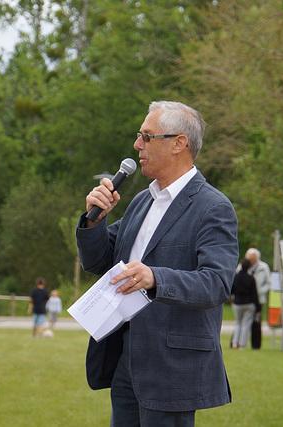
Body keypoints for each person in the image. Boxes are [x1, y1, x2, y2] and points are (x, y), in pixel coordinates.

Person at [76, 101, 239, 426]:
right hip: (126, 355)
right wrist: (94, 222)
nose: (137, 145)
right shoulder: (142, 201)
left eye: (147, 137)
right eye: (139, 136)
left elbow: (216, 284)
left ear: (179, 143)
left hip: (172, 363)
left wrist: (155, 278)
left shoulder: (212, 207)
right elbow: (100, 261)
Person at [245, 247, 272, 349]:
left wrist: (259, 291)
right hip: (246, 298)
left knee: (256, 322)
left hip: (258, 299)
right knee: (242, 322)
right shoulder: (243, 266)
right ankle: (237, 343)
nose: (251, 261)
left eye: (253, 259)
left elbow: (268, 283)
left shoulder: (263, 267)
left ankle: (256, 345)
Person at [230, 259, 259, 349]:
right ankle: (242, 344)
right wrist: (258, 307)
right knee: (246, 324)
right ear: (249, 267)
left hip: (237, 302)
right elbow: (254, 293)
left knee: (238, 323)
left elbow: (232, 290)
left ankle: (234, 342)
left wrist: (232, 300)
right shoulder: (251, 278)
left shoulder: (236, 277)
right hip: (248, 303)